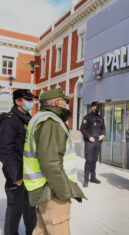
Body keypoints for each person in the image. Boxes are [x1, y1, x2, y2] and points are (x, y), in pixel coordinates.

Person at [23, 88, 86, 235]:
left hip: (44, 189)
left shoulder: (40, 118)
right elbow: (50, 163)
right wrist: (64, 191)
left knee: (42, 230)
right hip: (53, 191)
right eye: (66, 102)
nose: (68, 105)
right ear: (58, 102)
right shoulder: (51, 122)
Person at [0, 89, 38, 235]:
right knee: (14, 209)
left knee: (30, 207)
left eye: (31, 99)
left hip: (30, 172)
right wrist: (16, 177)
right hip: (17, 174)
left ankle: (31, 232)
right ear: (18, 102)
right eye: (27, 99)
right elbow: (5, 151)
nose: (31, 102)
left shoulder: (28, 118)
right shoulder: (10, 120)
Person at [80, 102, 106, 187]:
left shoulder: (101, 118)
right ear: (92, 107)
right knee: (88, 160)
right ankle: (86, 179)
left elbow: (104, 128)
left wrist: (103, 135)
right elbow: (82, 129)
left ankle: (93, 177)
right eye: (96, 107)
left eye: (98, 107)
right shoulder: (87, 117)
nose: (97, 108)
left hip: (97, 142)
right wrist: (88, 137)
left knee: (94, 160)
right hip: (89, 142)